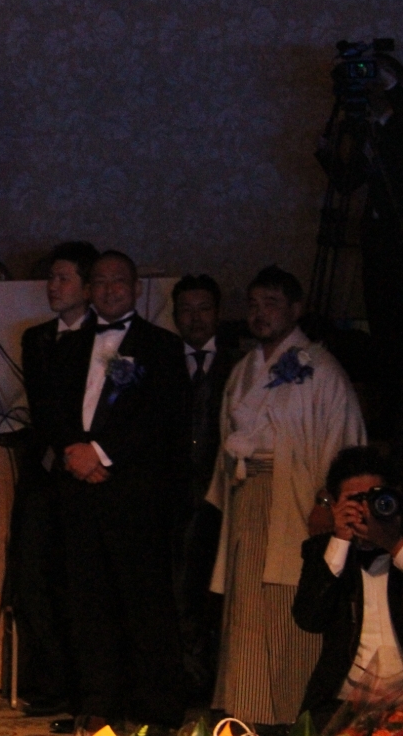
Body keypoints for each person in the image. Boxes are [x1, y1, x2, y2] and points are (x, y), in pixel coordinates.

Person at [208, 265, 367, 727]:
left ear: (296, 309)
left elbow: (342, 441)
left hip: (297, 501)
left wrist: (328, 503)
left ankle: (291, 714)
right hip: (249, 495)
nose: (260, 313)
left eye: (272, 303)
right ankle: (246, 711)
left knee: (289, 604)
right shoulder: (244, 369)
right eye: (253, 305)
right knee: (247, 608)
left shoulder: (321, 369)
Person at [44, 250, 189, 731]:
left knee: (144, 603)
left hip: (134, 494)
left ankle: (154, 708)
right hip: (80, 493)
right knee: (88, 602)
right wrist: (73, 452)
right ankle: (97, 703)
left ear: (137, 288)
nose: (109, 290)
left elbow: (162, 418)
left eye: (118, 281)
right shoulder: (68, 345)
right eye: (100, 281)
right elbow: (53, 408)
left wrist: (102, 453)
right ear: (89, 290)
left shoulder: (162, 346)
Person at [11, 240, 98, 723]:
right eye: (51, 278)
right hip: (43, 471)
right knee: (33, 576)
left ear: (87, 287)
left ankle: (85, 685)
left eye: (64, 278)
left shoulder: (103, 337)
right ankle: (50, 681)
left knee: (77, 581)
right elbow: (43, 403)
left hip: (85, 473)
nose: (53, 286)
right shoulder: (37, 338)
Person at [293, 446, 403, 731]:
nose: (366, 509)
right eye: (355, 500)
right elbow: (309, 618)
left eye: (374, 498)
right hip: (345, 701)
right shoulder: (323, 551)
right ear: (335, 504)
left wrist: (393, 544)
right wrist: (340, 539)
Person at [171, 273, 240, 701]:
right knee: (178, 592)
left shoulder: (240, 364)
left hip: (223, 496)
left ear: (217, 313)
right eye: (186, 310)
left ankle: (220, 682)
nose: (195, 319)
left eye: (204, 309)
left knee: (217, 592)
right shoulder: (162, 361)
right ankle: (186, 681)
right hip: (174, 497)